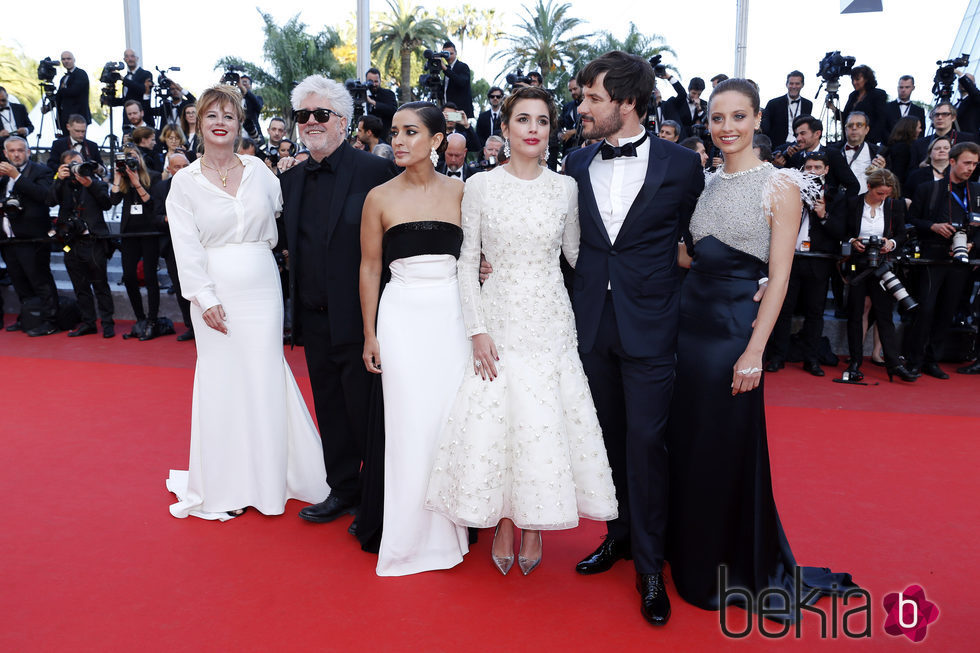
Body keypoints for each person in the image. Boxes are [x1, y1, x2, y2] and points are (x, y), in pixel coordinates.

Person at [667, 77, 857, 623]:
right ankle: (689, 554)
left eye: (738, 117)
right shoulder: (705, 182)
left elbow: (778, 277)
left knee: (723, 449)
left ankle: (723, 565)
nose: (726, 127)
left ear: (756, 120)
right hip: (688, 322)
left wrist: (755, 351)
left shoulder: (781, 185)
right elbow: (692, 258)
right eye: (718, 118)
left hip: (732, 332)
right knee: (688, 445)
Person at [426, 85, 617, 577]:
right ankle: (505, 519)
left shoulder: (565, 187)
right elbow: (468, 263)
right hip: (499, 317)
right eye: (523, 120)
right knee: (499, 418)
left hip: (550, 318)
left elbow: (577, 256)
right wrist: (476, 329)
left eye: (543, 121)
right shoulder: (481, 185)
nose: (533, 129)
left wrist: (634, 270)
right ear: (506, 128)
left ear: (551, 131)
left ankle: (534, 523)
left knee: (543, 419)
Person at [562, 51, 705, 626]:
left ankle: (651, 564)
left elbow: (699, 238)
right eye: (584, 97)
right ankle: (617, 535)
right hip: (589, 325)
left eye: (594, 98)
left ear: (628, 102)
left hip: (652, 325)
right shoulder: (573, 162)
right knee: (609, 438)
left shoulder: (681, 165)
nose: (583, 106)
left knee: (647, 442)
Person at [164, 84, 328, 519]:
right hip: (214, 290)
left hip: (261, 286)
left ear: (240, 125)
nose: (221, 123)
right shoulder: (184, 181)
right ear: (198, 123)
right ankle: (226, 480)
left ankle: (271, 477)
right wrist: (203, 297)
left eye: (229, 116)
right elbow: (185, 247)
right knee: (222, 379)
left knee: (263, 372)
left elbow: (291, 215)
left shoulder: (260, 172)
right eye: (212, 115)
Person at [277, 75, 397, 545]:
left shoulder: (373, 172)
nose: (310, 122)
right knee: (330, 408)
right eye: (303, 115)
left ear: (343, 122)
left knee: (367, 411)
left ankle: (375, 496)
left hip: (362, 318)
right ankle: (342, 488)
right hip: (313, 317)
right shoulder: (290, 179)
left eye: (320, 114)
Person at [358, 102, 470, 576]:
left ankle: (453, 525)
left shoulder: (463, 193)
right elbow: (368, 267)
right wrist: (370, 334)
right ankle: (404, 533)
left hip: (452, 319)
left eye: (410, 132)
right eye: (395, 132)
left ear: (437, 140)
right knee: (407, 422)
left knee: (448, 419)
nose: (398, 140)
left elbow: (479, 255)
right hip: (400, 317)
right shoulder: (378, 198)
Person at [905, 142, 980, 379]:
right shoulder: (928, 188)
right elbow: (912, 220)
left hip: (961, 261)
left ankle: (932, 360)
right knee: (925, 310)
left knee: (947, 311)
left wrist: (973, 244)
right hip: (932, 258)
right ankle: (914, 360)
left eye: (975, 164)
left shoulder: (977, 191)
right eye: (967, 163)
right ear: (952, 162)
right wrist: (933, 226)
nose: (971, 168)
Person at [766, 151, 842, 376]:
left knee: (815, 312)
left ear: (826, 170)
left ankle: (811, 358)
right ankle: (778, 356)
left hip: (818, 261)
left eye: (817, 167)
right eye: (808, 167)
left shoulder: (836, 195)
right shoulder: (790, 192)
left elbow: (840, 231)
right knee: (783, 309)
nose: (813, 171)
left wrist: (824, 214)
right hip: (790, 258)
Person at [839, 169, 917, 383]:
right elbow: (842, 231)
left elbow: (902, 234)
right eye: (879, 193)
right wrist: (853, 240)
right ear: (869, 187)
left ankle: (894, 363)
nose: (883, 198)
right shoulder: (854, 203)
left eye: (886, 194)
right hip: (858, 265)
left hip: (883, 265)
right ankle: (855, 361)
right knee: (855, 313)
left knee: (884, 314)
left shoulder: (895, 205)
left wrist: (890, 243)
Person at [49, 150, 115, 338]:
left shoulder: (96, 183)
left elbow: (106, 204)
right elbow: (50, 200)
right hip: (70, 242)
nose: (77, 169)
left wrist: (91, 184)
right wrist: (59, 180)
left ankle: (107, 323)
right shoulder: (63, 185)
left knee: (100, 285)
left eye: (80, 163)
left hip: (93, 242)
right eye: (72, 165)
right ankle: (88, 323)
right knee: (80, 286)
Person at [0, 136, 58, 336]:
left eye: (20, 150)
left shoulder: (41, 171)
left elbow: (45, 196)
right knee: (18, 280)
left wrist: (17, 176)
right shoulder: (2, 176)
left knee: (40, 280)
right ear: (5, 154)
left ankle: (51, 320)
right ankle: (28, 316)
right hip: (8, 237)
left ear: (29, 152)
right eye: (12, 151)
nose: (16, 154)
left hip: (34, 237)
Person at [110, 144, 162, 339]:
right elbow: (113, 201)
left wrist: (137, 182)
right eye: (127, 158)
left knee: (150, 277)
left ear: (140, 158)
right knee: (129, 276)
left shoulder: (154, 177)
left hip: (149, 232)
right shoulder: (122, 180)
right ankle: (140, 318)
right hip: (129, 234)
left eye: (134, 157)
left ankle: (152, 319)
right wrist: (118, 177)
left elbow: (151, 204)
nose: (131, 161)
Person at [152, 151, 194, 341]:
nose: (182, 170)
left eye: (185, 166)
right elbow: (155, 217)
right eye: (177, 167)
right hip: (173, 246)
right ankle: (191, 326)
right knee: (180, 288)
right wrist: (168, 218)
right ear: (169, 169)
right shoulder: (161, 188)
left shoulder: (201, 186)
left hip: (199, 244)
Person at [831, 111, 886, 194]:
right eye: (850, 125)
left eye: (859, 125)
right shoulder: (832, 150)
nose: (854, 128)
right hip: (839, 202)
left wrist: (882, 171)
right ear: (845, 130)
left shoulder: (878, 152)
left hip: (866, 202)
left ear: (866, 130)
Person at [760, 71, 812, 148]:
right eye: (791, 83)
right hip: (777, 148)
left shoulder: (808, 104)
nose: (794, 86)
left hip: (799, 147)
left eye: (797, 84)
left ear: (802, 85)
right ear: (786, 84)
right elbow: (765, 129)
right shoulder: (773, 103)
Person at [839, 65, 889, 145]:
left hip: (870, 139)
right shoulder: (853, 95)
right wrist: (833, 108)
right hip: (851, 139)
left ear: (866, 79)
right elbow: (845, 117)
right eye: (852, 80)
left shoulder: (878, 94)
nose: (854, 82)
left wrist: (872, 139)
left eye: (857, 79)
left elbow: (881, 119)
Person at [879, 116, 921, 188]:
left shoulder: (895, 145)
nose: (920, 130)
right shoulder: (903, 148)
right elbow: (898, 173)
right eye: (919, 127)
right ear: (911, 129)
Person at [53, 52, 91, 132]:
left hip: (78, 119)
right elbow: (59, 98)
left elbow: (74, 91)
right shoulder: (63, 78)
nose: (66, 61)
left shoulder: (81, 74)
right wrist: (48, 106)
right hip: (64, 119)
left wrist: (62, 90)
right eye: (63, 59)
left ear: (74, 60)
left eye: (68, 58)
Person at [904, 136, 950, 200]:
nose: (942, 150)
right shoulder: (916, 176)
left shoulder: (958, 174)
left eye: (946, 148)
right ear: (929, 153)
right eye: (937, 148)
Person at [441, 41, 473, 118]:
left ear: (456, 53)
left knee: (458, 130)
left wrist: (445, 69)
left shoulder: (463, 66)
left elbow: (461, 82)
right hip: (448, 112)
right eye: (446, 54)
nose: (448, 57)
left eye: (451, 54)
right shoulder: (447, 69)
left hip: (460, 113)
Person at [365, 67, 398, 135]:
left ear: (380, 81)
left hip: (386, 137)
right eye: (370, 81)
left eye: (376, 81)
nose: (373, 84)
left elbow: (393, 110)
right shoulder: (367, 96)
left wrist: (373, 103)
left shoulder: (388, 94)